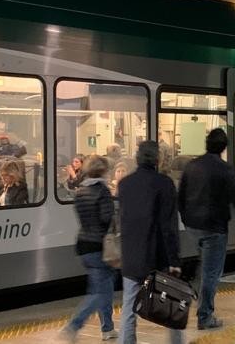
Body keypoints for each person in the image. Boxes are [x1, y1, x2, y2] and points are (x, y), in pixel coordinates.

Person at [178, 129, 235, 330]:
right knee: (212, 273)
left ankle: (197, 293)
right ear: (223, 147)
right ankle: (205, 316)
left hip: (193, 226)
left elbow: (181, 195)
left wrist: (185, 218)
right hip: (214, 228)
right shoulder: (224, 169)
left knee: (205, 267)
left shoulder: (192, 165)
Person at [118, 141, 184, 344]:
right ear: (158, 159)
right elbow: (169, 226)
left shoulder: (124, 184)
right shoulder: (165, 184)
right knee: (172, 307)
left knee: (129, 309)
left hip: (131, 256)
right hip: (158, 256)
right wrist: (174, 260)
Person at [59, 155, 117, 342]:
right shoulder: (103, 191)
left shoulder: (81, 191)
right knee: (99, 292)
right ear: (104, 170)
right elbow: (106, 218)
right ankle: (73, 326)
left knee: (104, 287)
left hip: (83, 243)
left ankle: (108, 328)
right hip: (100, 245)